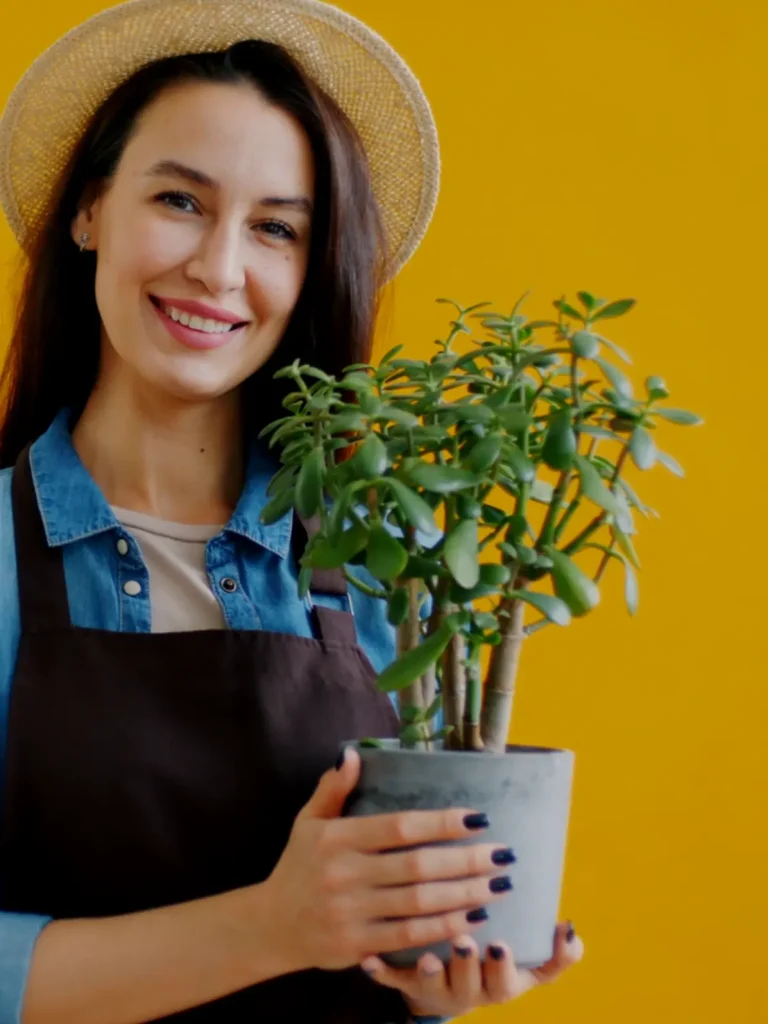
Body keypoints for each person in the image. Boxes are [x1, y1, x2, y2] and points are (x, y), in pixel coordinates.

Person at [0, 1, 584, 1021]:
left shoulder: (388, 549)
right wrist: (275, 926)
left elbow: (409, 915)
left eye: (277, 228)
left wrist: (434, 964)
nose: (220, 268)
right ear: (89, 208)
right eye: (180, 200)